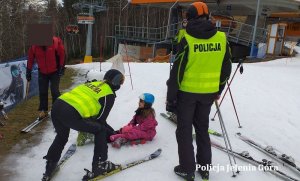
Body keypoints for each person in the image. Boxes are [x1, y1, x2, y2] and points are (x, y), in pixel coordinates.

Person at [166, 2, 232, 181]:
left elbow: (177, 72)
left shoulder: (187, 38)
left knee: (184, 131)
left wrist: (170, 99)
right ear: (207, 16)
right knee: (202, 129)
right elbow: (226, 68)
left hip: (187, 94)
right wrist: (218, 88)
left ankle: (187, 169)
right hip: (208, 95)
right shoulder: (220, 38)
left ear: (189, 17)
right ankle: (204, 168)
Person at [41, 69, 125, 181]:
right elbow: (100, 121)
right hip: (71, 112)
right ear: (115, 82)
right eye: (120, 82)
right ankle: (100, 165)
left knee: (61, 136)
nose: (120, 85)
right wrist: (113, 134)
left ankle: (49, 168)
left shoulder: (93, 83)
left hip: (58, 105)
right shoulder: (108, 94)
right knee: (100, 130)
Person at [26, 36, 65, 119]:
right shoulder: (34, 46)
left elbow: (62, 54)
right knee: (42, 91)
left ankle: (56, 110)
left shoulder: (55, 42)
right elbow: (30, 59)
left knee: (54, 91)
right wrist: (28, 71)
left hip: (55, 70)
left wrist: (61, 67)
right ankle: (43, 110)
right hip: (42, 71)